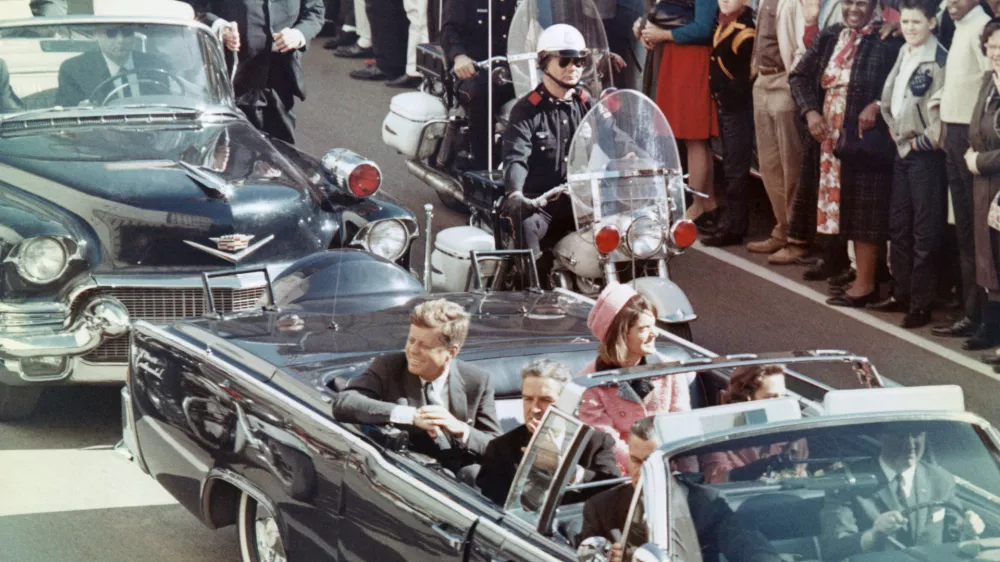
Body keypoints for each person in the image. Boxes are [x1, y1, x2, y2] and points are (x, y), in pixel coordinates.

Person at [788, 0, 903, 308]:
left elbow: (901, 80)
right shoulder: (830, 35)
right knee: (840, 206)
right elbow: (798, 76)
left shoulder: (888, 39)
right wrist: (811, 112)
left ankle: (866, 284)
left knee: (866, 207)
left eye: (861, 3)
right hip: (829, 136)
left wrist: (878, 104)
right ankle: (857, 274)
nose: (854, 9)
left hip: (866, 138)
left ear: (875, 6)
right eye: (848, 2)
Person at [580, 417, 783, 562]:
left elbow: (747, 545)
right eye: (636, 460)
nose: (642, 472)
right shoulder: (600, 508)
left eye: (651, 463)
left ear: (674, 463)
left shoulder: (706, 503)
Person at [332, 299, 502, 471]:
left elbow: (498, 447)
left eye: (425, 346)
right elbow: (344, 403)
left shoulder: (477, 380)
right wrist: (411, 416)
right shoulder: (389, 367)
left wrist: (461, 429)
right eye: (411, 340)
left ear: (451, 352)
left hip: (459, 484)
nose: (413, 350)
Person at [872, 0, 948, 329]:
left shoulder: (939, 59)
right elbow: (892, 96)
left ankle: (921, 303)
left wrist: (921, 141)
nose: (910, 28)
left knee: (925, 231)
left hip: (924, 154)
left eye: (917, 22)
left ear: (932, 23)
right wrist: (892, 124)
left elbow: (942, 113)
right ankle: (901, 292)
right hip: (902, 149)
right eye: (905, 21)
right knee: (898, 225)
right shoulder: (905, 51)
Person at [501, 24, 593, 285]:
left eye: (579, 61)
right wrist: (515, 192)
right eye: (564, 60)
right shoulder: (526, 110)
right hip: (540, 206)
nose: (573, 67)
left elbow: (612, 136)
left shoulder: (585, 103)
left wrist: (634, 157)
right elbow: (515, 156)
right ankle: (534, 295)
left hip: (581, 204)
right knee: (528, 230)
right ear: (544, 63)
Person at [576, 284, 691, 474]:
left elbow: (682, 426)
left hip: (671, 467)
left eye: (653, 325)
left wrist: (689, 479)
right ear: (620, 335)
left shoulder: (670, 369)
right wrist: (647, 471)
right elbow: (607, 443)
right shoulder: (590, 382)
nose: (655, 333)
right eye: (644, 328)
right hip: (620, 476)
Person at [820, 430, 985, 560]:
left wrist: (967, 527)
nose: (910, 445)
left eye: (916, 435)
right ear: (880, 436)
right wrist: (874, 534)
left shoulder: (940, 479)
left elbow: (954, 530)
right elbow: (834, 547)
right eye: (899, 436)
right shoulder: (847, 482)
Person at [475, 359, 621, 506]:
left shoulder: (595, 442)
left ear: (568, 402)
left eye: (546, 400)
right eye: (528, 399)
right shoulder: (501, 448)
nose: (534, 409)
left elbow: (612, 492)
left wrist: (564, 468)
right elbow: (493, 509)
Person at [932, 0, 992, 340]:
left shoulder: (981, 28)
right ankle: (972, 308)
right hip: (954, 131)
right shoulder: (962, 26)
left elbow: (990, 85)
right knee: (964, 230)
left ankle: (979, 314)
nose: (949, 2)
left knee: (974, 232)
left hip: (971, 136)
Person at [187, 0, 325, 145]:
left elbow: (315, 11)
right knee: (232, 153)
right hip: (232, 81)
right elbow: (194, 6)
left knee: (281, 154)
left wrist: (299, 34)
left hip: (280, 82)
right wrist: (219, 26)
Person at [637, 0, 721, 231]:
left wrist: (662, 34)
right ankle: (707, 203)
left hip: (692, 60)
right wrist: (645, 28)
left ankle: (698, 204)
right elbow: (665, 13)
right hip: (679, 58)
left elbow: (703, 29)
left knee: (695, 138)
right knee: (693, 139)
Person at [744, 0, 811, 264]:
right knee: (769, 165)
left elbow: (803, 47)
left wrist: (792, 77)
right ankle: (782, 228)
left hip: (783, 81)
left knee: (791, 165)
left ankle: (797, 239)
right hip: (762, 80)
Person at [703, 0, 757, 247]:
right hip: (726, 107)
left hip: (737, 108)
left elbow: (745, 76)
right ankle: (730, 221)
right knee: (730, 166)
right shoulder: (726, 23)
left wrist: (728, 97)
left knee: (736, 169)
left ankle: (734, 227)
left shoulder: (745, 32)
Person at [439, 0, 518, 170]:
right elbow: (449, 29)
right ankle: (481, 166)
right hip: (475, 69)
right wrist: (459, 56)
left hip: (517, 70)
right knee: (483, 94)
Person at [699, 364, 809, 484]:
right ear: (746, 399)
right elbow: (717, 478)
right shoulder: (717, 434)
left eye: (782, 396)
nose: (780, 403)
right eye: (771, 397)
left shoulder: (793, 434)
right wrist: (754, 469)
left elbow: (799, 474)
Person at [962, 18, 1000, 349]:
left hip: (992, 176)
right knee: (986, 255)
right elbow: (976, 129)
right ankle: (990, 328)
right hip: (984, 183)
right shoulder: (990, 80)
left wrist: (979, 161)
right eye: (992, 47)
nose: (997, 53)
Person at [55, 24, 167, 108]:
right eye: (111, 33)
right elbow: (63, 119)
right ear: (96, 35)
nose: (120, 40)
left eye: (126, 32)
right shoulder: (74, 70)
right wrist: (79, 110)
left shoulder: (155, 64)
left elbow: (168, 105)